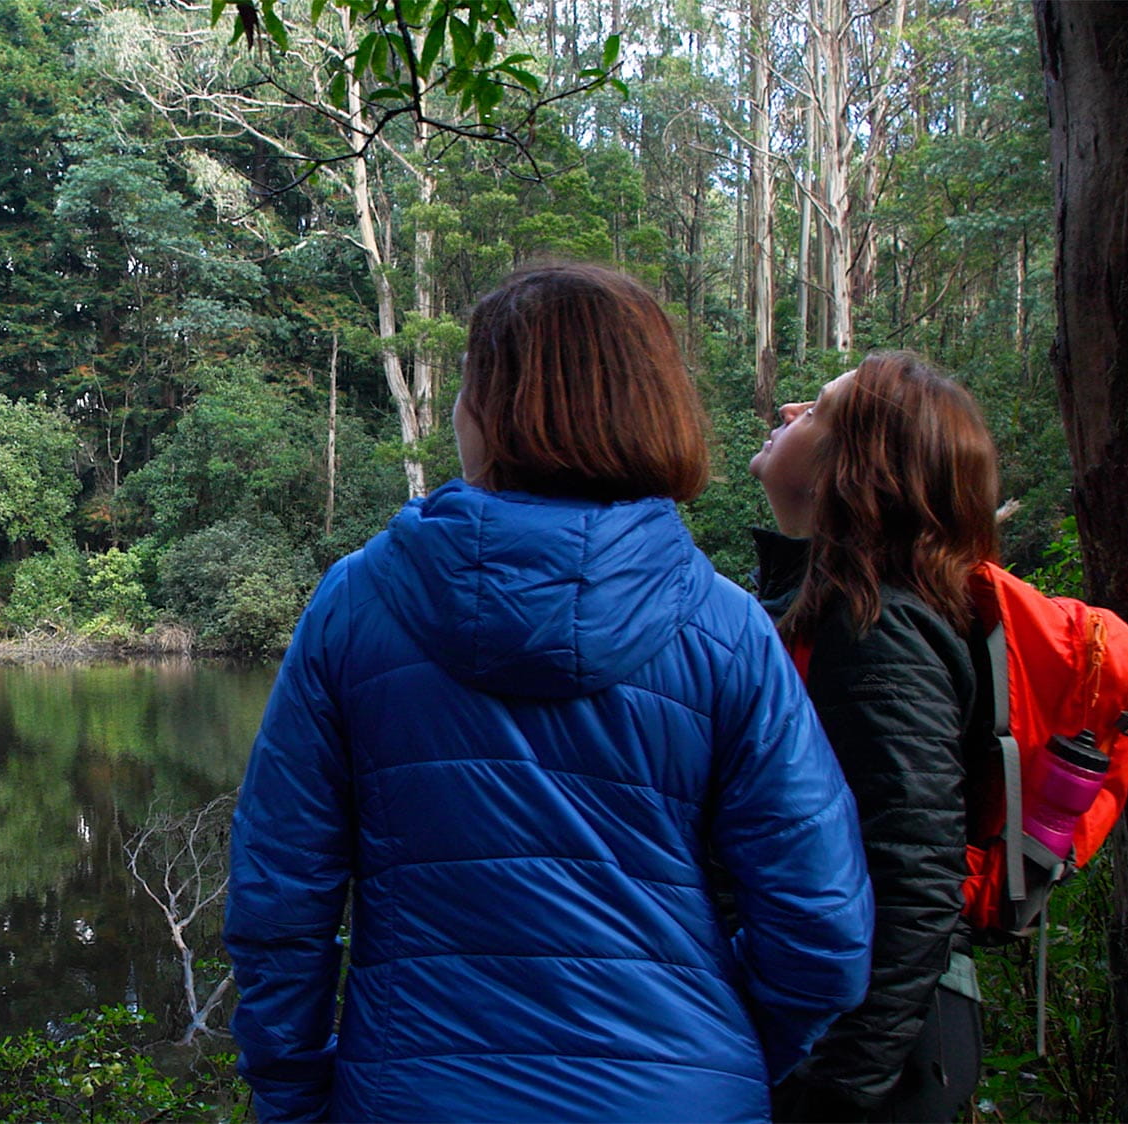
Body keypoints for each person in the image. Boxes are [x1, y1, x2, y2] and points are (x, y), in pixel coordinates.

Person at [223, 262, 876, 1123]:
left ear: (491, 413)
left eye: (467, 384)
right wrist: (711, 1055)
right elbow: (823, 932)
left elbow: (282, 904)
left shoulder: (356, 606)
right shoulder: (728, 631)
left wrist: (293, 1099)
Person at [747, 351, 997, 1122]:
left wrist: (842, 1084)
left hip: (881, 1042)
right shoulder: (838, 608)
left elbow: (915, 870)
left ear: (850, 469)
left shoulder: (877, 632)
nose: (790, 411)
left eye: (817, 411)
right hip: (869, 1025)